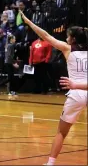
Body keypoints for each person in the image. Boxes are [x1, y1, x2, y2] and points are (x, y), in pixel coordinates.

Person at [20, 12, 87, 165]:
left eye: (68, 36)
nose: (66, 38)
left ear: (73, 39)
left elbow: (46, 36)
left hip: (76, 93)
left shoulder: (67, 48)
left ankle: (50, 163)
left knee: (61, 133)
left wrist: (29, 22)